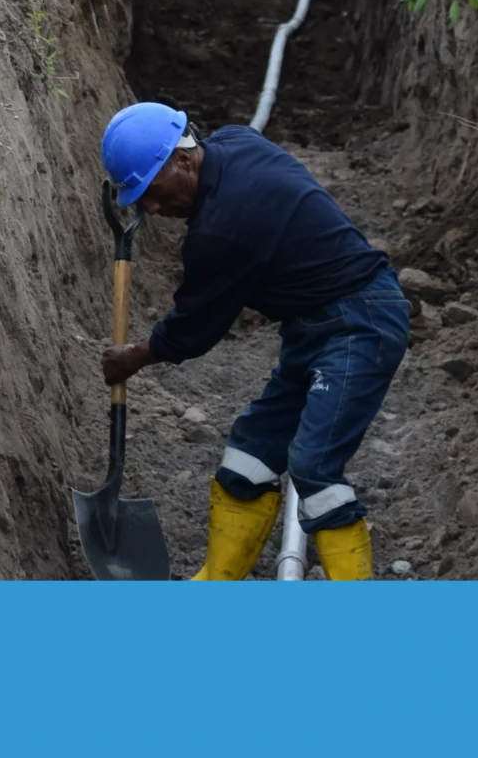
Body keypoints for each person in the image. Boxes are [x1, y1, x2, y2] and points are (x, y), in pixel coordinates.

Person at [96, 102, 410, 581]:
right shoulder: (235, 141)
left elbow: (193, 330)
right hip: (312, 327)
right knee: (251, 453)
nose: (151, 209)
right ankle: (218, 582)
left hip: (360, 322)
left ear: (182, 160)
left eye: (151, 193)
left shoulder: (222, 229)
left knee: (313, 465)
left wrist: (132, 358)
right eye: (138, 201)